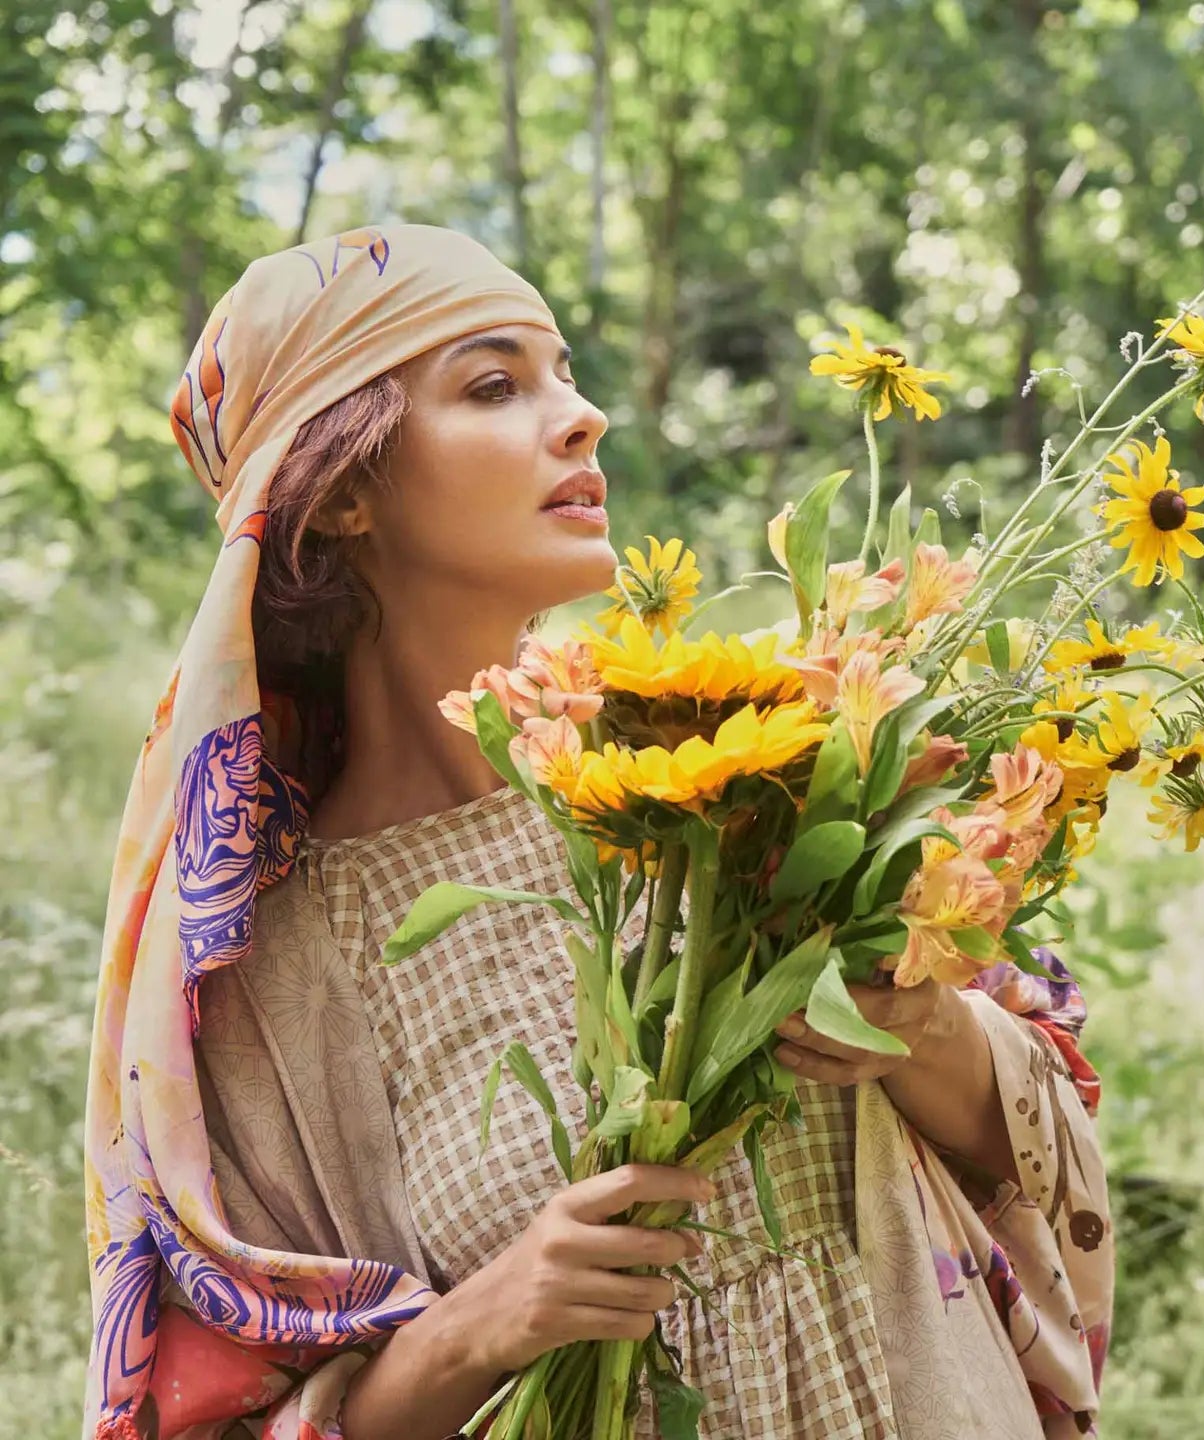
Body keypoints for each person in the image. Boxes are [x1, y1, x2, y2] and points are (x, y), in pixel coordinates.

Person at [83, 223, 1113, 1440]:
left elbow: (1058, 1155)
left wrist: (925, 1028)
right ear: (345, 487)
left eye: (565, 372)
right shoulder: (268, 978)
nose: (582, 418)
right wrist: (483, 1326)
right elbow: (224, 1421)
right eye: (493, 384)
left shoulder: (749, 764)